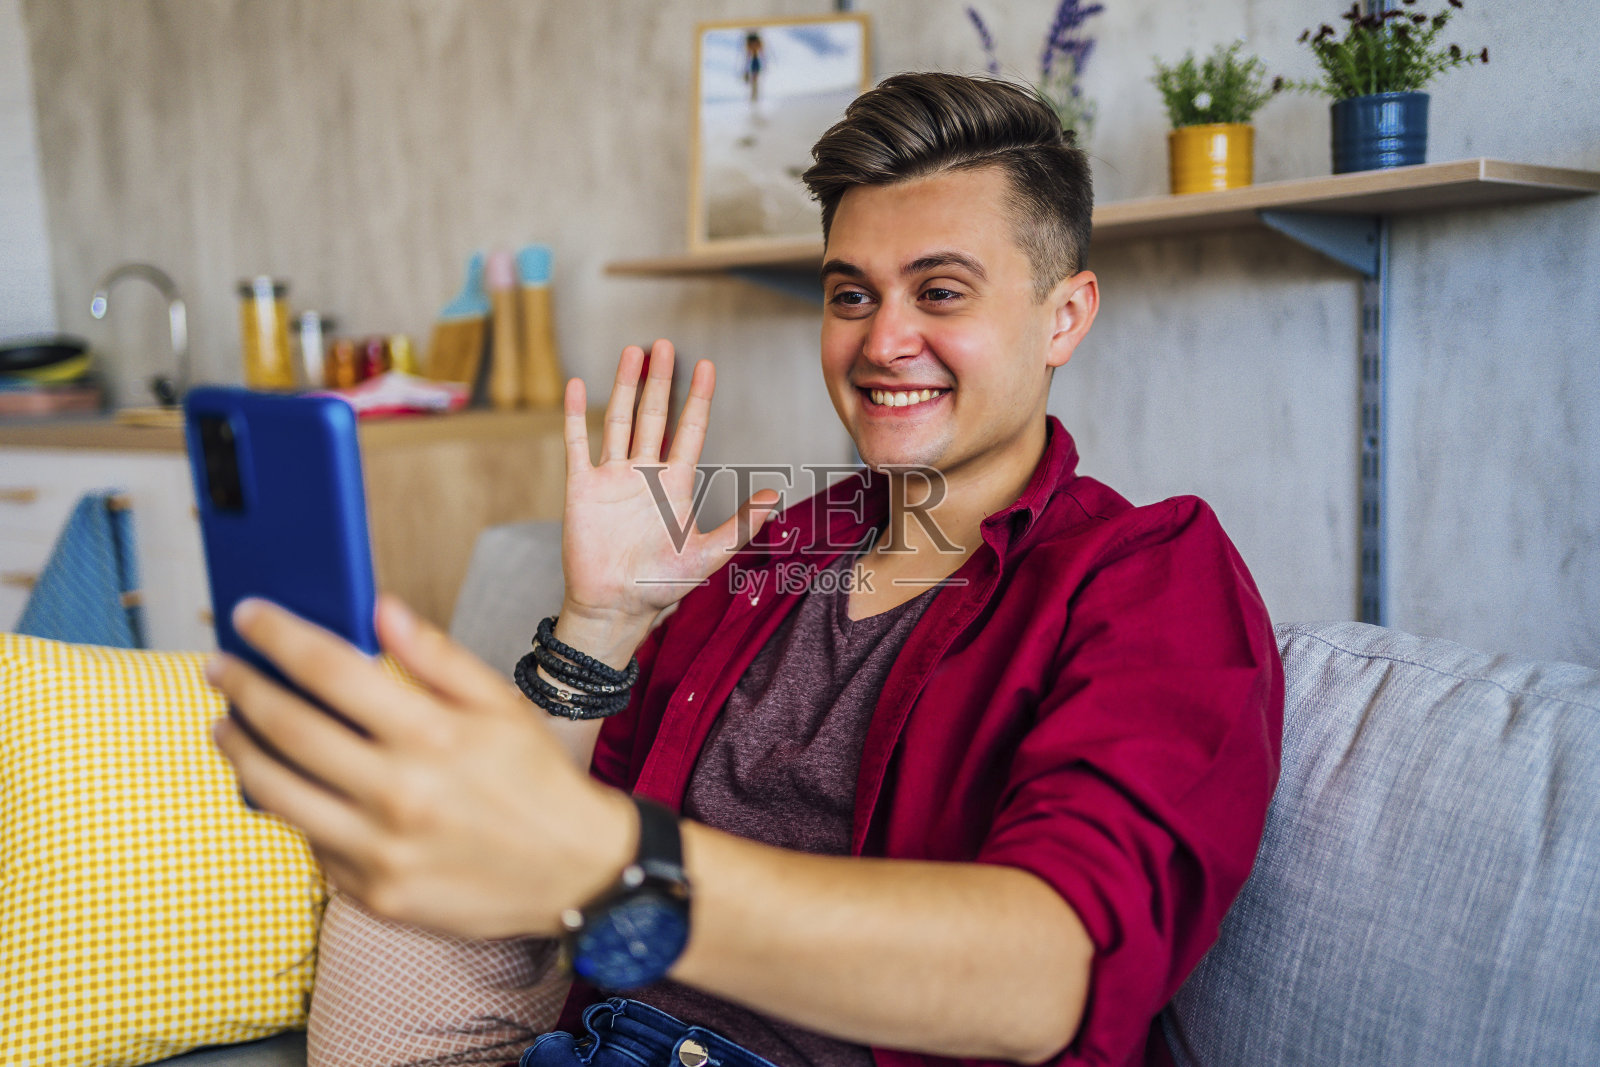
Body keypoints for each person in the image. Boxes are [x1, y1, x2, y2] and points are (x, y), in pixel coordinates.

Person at [208, 73, 1283, 1067]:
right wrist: (601, 618)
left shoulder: (1148, 574)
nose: (882, 341)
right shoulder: (771, 552)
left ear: (1065, 315)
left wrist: (618, 867)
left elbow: (1048, 974)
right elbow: (516, 869)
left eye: (941, 292)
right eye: (850, 294)